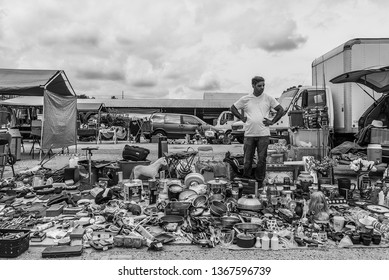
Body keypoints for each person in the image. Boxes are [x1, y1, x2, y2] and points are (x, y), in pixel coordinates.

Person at [231, 76, 284, 186]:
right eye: (259, 85)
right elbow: (233, 108)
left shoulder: (269, 98)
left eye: (263, 85)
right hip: (249, 134)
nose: (262, 88)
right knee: (247, 160)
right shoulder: (246, 99)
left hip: (263, 134)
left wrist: (272, 121)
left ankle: (259, 182)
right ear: (253, 86)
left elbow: (281, 110)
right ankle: (247, 181)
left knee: (261, 160)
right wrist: (242, 117)